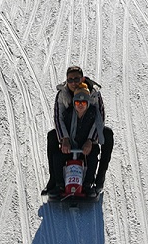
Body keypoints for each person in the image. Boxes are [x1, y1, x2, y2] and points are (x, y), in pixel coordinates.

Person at [43, 65, 114, 195]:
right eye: (70, 80)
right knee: (52, 135)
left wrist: (90, 140)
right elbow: (58, 118)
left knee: (107, 133)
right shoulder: (62, 94)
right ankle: (54, 180)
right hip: (70, 132)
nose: (73, 83)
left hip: (88, 132)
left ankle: (98, 178)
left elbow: (100, 118)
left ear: (82, 79)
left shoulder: (93, 93)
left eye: (77, 79)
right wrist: (64, 139)